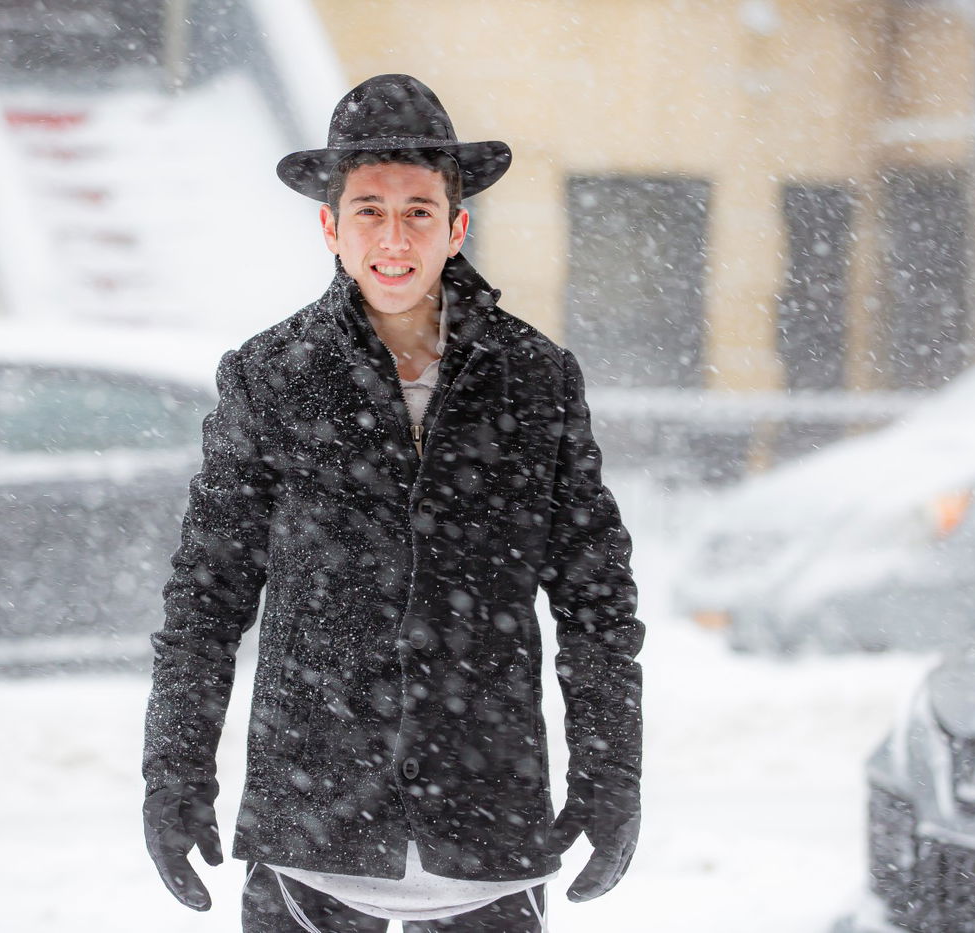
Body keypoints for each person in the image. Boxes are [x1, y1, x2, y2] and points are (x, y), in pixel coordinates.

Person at [142, 73, 643, 933]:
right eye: (369, 209)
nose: (395, 236)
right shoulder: (269, 379)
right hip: (311, 850)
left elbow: (597, 602)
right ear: (331, 226)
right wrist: (174, 771)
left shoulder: (536, 380)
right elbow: (206, 598)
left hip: (487, 847)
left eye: (419, 210)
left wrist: (610, 772)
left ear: (457, 225)